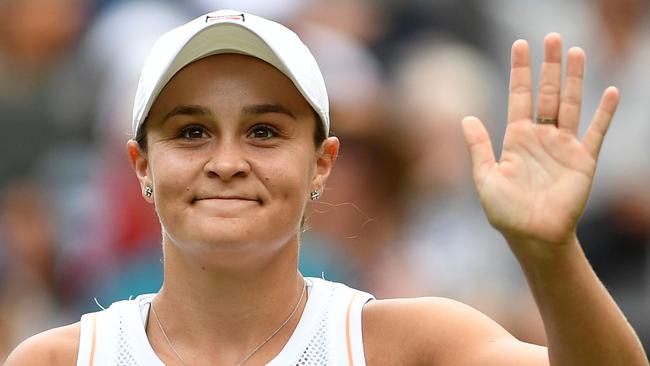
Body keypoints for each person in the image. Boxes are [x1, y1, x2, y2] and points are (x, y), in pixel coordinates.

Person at [5, 9, 648, 365]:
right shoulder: (57, 364)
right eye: (192, 132)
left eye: (263, 132)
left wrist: (549, 253)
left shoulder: (410, 346)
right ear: (141, 165)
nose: (227, 161)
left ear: (323, 163)